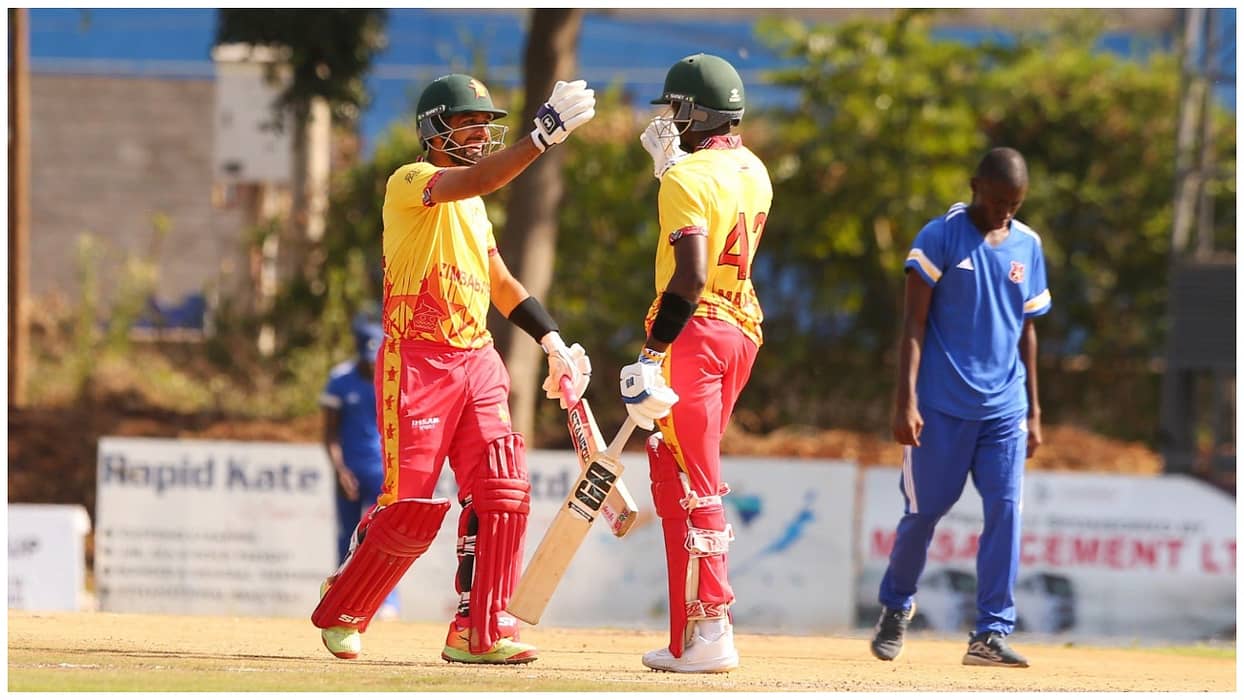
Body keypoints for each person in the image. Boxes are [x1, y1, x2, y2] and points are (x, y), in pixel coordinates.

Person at [311, 73, 596, 665]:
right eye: (466, 123)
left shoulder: (475, 208)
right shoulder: (411, 182)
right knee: (408, 508)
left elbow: (500, 283)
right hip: (418, 360)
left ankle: (479, 628)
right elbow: (476, 178)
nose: (478, 134)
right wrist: (540, 138)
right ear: (433, 129)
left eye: (485, 125)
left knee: (503, 489)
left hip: (478, 360)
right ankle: (346, 603)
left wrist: (553, 340)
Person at [870, 147, 1050, 668]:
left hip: (1004, 409)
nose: (1005, 213)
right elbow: (913, 325)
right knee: (923, 514)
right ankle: (897, 605)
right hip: (941, 410)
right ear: (976, 187)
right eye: (998, 201)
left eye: (1015, 204)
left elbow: (1028, 332)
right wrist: (905, 401)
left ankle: (990, 633)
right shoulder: (940, 237)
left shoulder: (1027, 245)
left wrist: (1034, 412)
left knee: (1006, 511)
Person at [624, 53, 772, 674]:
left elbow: (689, 276)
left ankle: (713, 626)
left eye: (676, 109)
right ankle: (688, 633)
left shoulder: (687, 180)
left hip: (696, 331)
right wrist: (673, 172)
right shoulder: (755, 169)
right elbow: (721, 198)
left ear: (699, 112)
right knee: (671, 469)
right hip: (741, 329)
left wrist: (653, 353)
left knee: (694, 480)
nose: (667, 119)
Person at [319, 313, 400, 621]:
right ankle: (343, 600)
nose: (370, 365)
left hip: (385, 474)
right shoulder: (340, 380)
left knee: (386, 538)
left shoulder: (393, 377)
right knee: (347, 538)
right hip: (349, 474)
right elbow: (329, 433)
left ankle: (388, 601)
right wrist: (339, 469)